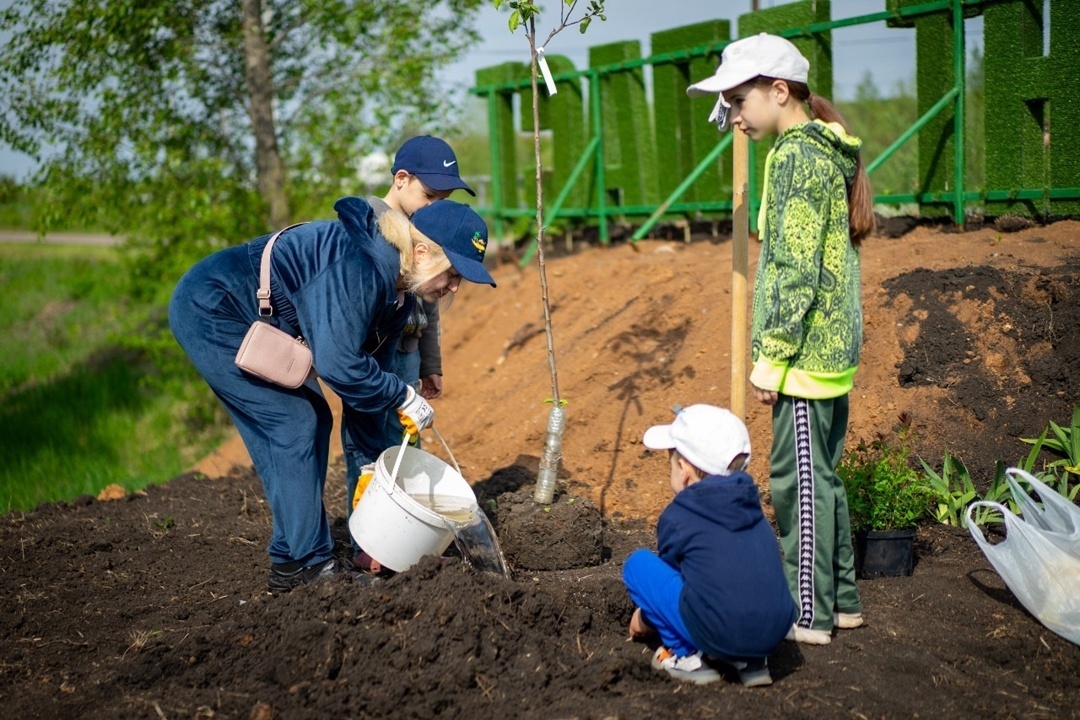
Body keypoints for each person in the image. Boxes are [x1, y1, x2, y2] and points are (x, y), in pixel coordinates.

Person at [168, 197, 496, 593]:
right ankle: (310, 565)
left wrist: (378, 512)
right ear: (422, 253)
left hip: (260, 320)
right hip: (214, 306)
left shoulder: (399, 299)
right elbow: (338, 365)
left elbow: (367, 395)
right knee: (294, 423)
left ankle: (290, 561)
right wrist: (400, 394)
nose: (455, 286)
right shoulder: (357, 266)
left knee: (311, 419)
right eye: (453, 273)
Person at [687, 33, 875, 644]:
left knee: (799, 488)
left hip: (803, 356)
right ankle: (841, 600)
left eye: (739, 101)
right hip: (827, 350)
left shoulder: (795, 157)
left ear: (778, 90)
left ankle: (806, 611)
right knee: (824, 478)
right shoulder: (821, 151)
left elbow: (795, 268)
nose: (734, 116)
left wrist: (771, 358)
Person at [345, 136, 477, 574]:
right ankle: (366, 543)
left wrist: (430, 365)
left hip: (407, 356)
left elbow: (431, 309)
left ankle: (400, 539)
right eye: (430, 195)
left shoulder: (430, 236)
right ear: (401, 179)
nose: (434, 207)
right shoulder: (371, 226)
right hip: (374, 358)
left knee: (405, 446)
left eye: (443, 199)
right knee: (367, 449)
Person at [622, 404, 797, 687]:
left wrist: (645, 617)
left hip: (721, 630)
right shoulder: (753, 509)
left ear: (683, 470)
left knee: (637, 565)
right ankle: (751, 662)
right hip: (774, 632)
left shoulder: (678, 516)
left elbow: (675, 579)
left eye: (671, 462)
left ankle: (686, 656)